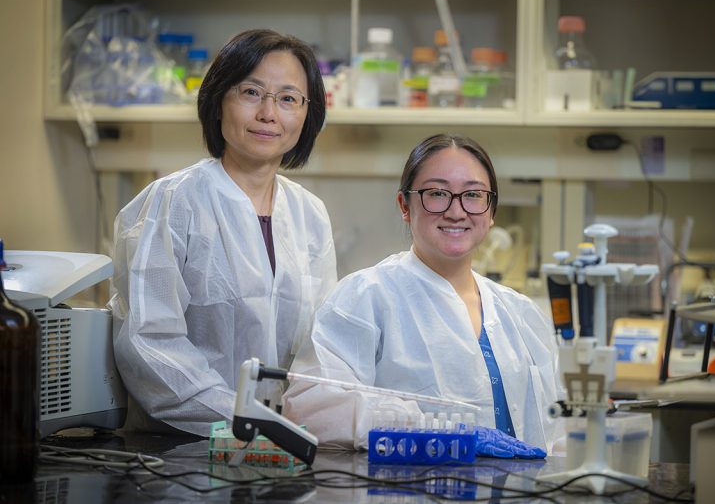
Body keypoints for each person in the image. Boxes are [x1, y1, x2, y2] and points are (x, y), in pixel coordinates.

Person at [109, 29, 337, 436]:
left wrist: (296, 423)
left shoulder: (310, 215)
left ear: (307, 115)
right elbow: (151, 344)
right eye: (251, 92)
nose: (269, 113)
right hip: (179, 452)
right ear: (218, 102)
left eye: (288, 98)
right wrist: (245, 420)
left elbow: (319, 347)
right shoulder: (171, 203)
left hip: (281, 448)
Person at [283, 134, 563, 456]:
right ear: (405, 205)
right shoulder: (367, 298)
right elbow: (311, 405)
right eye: (437, 193)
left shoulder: (522, 314)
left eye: (473, 195)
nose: (456, 211)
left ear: (491, 210)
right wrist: (430, 430)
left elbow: (558, 430)